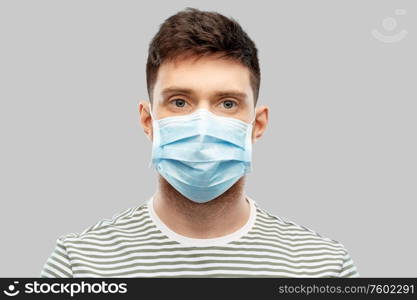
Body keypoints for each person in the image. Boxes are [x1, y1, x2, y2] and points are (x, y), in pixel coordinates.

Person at [40, 7, 359, 278]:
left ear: (257, 124)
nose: (203, 127)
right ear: (149, 121)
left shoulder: (325, 267)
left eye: (228, 103)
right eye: (179, 102)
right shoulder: (79, 264)